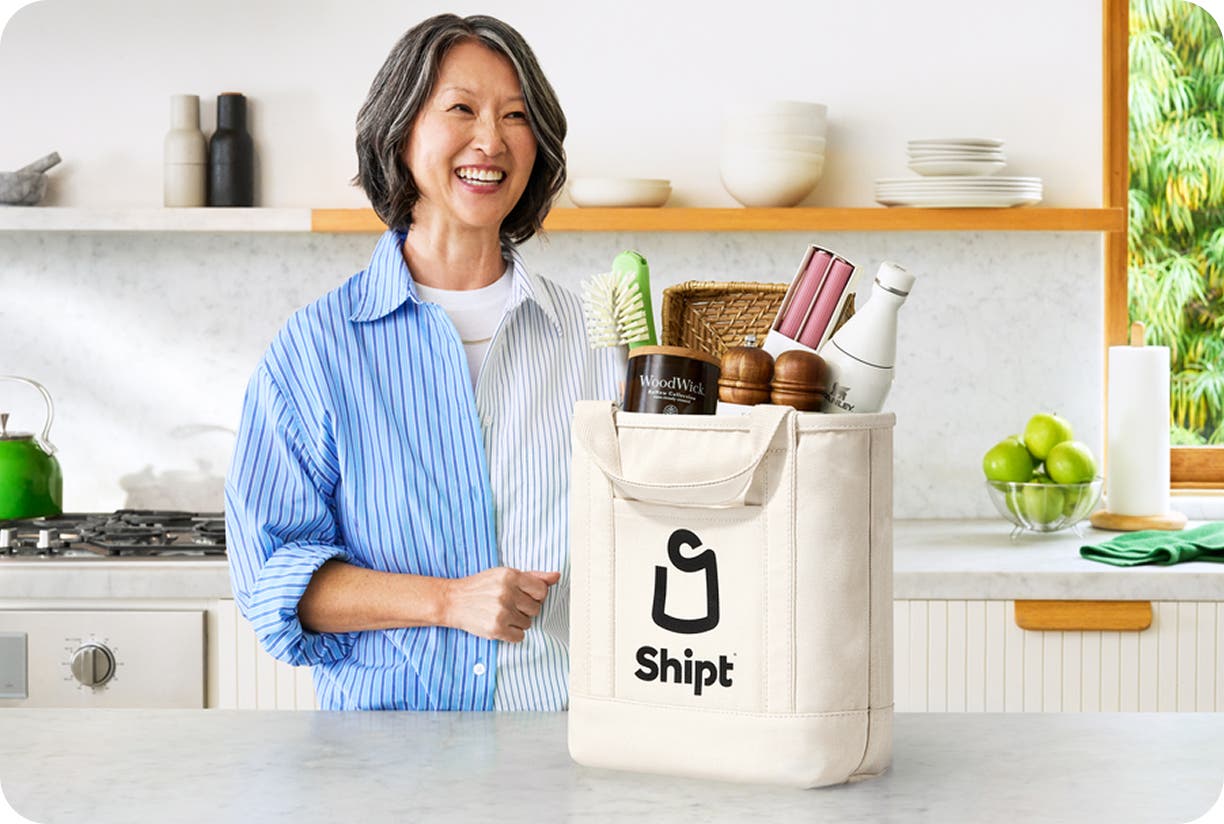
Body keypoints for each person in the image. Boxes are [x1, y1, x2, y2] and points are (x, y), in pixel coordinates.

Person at [225, 13, 619, 711]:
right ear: (400, 129)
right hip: (381, 762)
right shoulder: (317, 350)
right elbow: (271, 578)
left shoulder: (597, 344)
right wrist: (447, 602)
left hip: (562, 747)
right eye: (462, 109)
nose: (491, 141)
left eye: (517, 116)